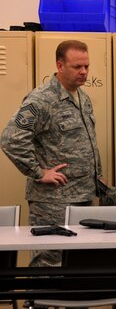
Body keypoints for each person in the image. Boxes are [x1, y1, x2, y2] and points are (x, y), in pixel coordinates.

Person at [0, 40, 101, 268]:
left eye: (86, 66)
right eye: (77, 67)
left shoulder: (82, 98)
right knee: (47, 263)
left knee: (78, 265)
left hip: (83, 196)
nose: (83, 72)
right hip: (52, 201)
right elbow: (10, 138)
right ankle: (36, 303)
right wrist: (38, 172)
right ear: (60, 65)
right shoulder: (41, 99)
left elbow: (84, 143)